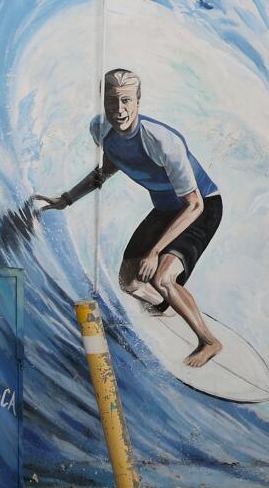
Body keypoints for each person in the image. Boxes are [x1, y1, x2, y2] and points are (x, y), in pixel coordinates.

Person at [33, 69, 226, 368]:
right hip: (165, 210)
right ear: (104, 101)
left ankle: (208, 340)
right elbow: (108, 169)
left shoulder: (162, 141)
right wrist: (67, 199)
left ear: (138, 101)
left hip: (200, 209)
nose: (119, 110)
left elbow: (194, 204)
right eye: (112, 102)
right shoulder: (101, 129)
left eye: (126, 101)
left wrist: (154, 252)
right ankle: (168, 302)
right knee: (129, 282)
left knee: (161, 275)